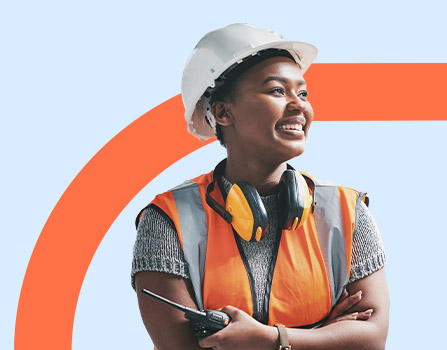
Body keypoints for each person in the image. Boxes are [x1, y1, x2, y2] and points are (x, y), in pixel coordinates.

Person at [132, 23, 389, 350]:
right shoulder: (167, 221)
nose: (299, 105)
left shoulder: (348, 213)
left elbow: (372, 340)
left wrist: (268, 339)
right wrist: (323, 334)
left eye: (303, 93)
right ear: (223, 112)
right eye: (277, 91)